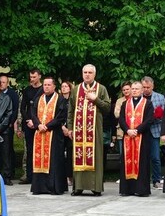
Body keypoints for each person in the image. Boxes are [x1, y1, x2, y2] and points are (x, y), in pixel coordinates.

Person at [67, 64, 111, 196]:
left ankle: (95, 187)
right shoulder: (76, 89)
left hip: (95, 130)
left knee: (96, 157)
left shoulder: (101, 89)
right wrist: (70, 128)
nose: (87, 75)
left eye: (90, 72)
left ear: (94, 74)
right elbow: (71, 110)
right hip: (79, 131)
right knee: (78, 156)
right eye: (85, 72)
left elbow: (107, 108)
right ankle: (78, 187)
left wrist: (95, 99)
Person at [30, 76, 68, 195]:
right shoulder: (39, 99)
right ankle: (39, 187)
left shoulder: (59, 99)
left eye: (48, 85)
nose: (46, 87)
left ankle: (53, 187)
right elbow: (33, 113)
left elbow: (61, 116)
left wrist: (47, 126)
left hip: (54, 134)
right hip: (39, 133)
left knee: (54, 161)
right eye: (45, 85)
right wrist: (38, 125)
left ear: (54, 86)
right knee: (39, 159)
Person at [118, 81, 155, 197]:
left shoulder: (147, 104)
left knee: (142, 162)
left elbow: (149, 120)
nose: (134, 90)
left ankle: (141, 189)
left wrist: (137, 130)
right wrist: (128, 130)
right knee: (127, 161)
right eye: (132, 88)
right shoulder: (125, 104)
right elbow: (121, 119)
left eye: (136, 89)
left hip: (142, 138)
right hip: (128, 137)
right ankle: (127, 189)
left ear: (142, 90)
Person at [18, 69, 43, 184]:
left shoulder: (44, 90)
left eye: (34, 77)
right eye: (31, 77)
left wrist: (37, 122)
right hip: (29, 124)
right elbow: (23, 108)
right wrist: (28, 120)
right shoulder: (27, 90)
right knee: (29, 150)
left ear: (39, 77)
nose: (32, 79)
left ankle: (40, 175)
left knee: (41, 149)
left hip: (41, 124)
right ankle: (29, 176)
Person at [141, 76, 165, 189]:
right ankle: (143, 180)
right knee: (141, 157)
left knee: (155, 157)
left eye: (148, 87)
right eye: (144, 87)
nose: (146, 89)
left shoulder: (160, 97)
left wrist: (157, 116)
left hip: (154, 130)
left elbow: (164, 115)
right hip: (141, 131)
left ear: (152, 86)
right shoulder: (138, 97)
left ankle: (156, 180)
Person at [1, 75, 20, 179]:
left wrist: (11, 122)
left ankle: (10, 172)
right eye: (1, 82)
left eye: (4, 82)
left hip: (8, 125)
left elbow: (15, 109)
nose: (2, 84)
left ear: (7, 83)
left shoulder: (12, 94)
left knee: (8, 149)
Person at [60, 80, 74, 186]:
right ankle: (61, 176)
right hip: (60, 129)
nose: (64, 88)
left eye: (66, 86)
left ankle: (70, 176)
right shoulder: (59, 100)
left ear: (70, 88)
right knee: (60, 153)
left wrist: (69, 129)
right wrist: (62, 127)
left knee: (70, 153)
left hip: (71, 130)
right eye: (62, 86)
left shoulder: (73, 100)